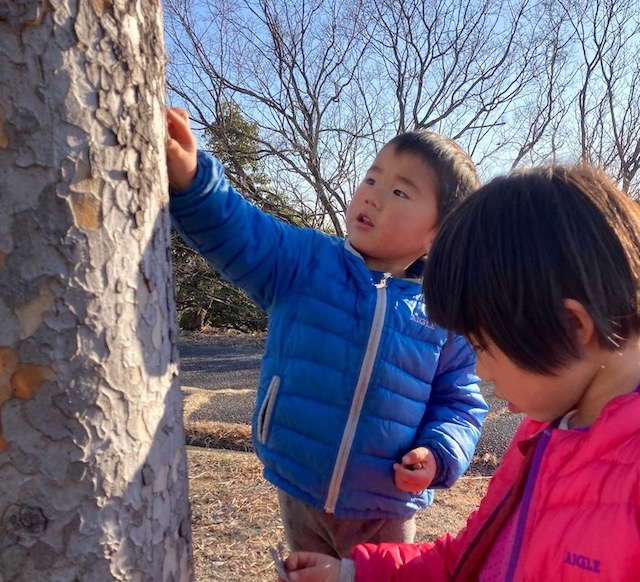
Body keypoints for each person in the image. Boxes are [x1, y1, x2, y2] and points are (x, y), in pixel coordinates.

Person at [281, 163, 640, 581]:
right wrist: (352, 574)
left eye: (483, 346)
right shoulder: (546, 433)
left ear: (572, 327)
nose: (482, 370)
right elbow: (472, 559)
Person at [166, 107, 487, 558]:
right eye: (372, 179)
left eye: (399, 191)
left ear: (438, 235)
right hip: (300, 483)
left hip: (384, 504)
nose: (373, 196)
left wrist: (438, 454)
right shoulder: (306, 261)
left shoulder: (443, 313)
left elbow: (460, 402)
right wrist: (195, 180)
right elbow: (242, 231)